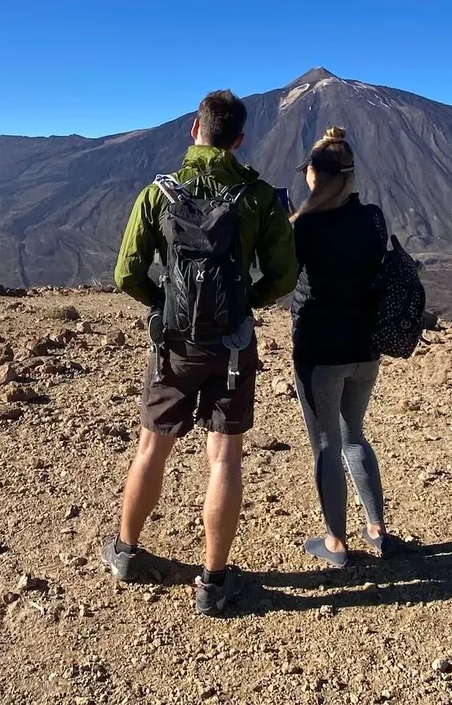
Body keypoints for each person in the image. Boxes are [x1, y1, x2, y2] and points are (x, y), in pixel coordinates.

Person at [104, 89, 298, 615]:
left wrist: (164, 304)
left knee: (151, 449)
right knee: (225, 458)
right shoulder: (256, 196)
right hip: (233, 347)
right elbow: (284, 274)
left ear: (195, 129)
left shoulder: (158, 194)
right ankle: (213, 582)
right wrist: (246, 304)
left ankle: (125, 553)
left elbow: (126, 273)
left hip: (174, 347)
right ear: (238, 140)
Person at [290, 127, 397, 567]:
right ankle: (377, 530)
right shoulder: (372, 217)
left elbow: (278, 276)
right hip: (365, 348)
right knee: (355, 435)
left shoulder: (306, 226)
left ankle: (335, 543)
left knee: (325, 445)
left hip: (320, 351)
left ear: (315, 175)